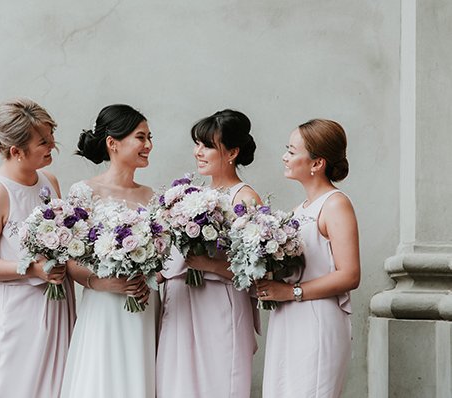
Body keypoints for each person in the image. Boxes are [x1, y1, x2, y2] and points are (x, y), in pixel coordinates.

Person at [0, 98, 76, 398]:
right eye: (44, 141)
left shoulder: (49, 181)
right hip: (20, 314)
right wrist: (32, 269)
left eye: (51, 136)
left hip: (58, 306)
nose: (53, 145)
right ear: (16, 151)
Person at [156, 109, 262, 398]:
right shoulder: (187, 197)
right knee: (176, 383)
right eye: (197, 144)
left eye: (207, 146)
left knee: (218, 381)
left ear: (232, 152)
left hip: (220, 303)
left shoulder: (245, 198)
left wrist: (208, 264)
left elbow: (255, 269)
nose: (197, 152)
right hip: (182, 300)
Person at [256, 119, 360, 397]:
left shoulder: (336, 204)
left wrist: (291, 292)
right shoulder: (298, 210)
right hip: (288, 318)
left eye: (291, 151)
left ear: (317, 163)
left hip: (316, 320)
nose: (284, 157)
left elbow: (349, 275)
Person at [60, 104, 157, 398]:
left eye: (150, 137)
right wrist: (100, 282)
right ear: (113, 143)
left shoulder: (151, 196)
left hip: (142, 304)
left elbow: (162, 259)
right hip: (103, 304)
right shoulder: (83, 192)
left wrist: (151, 279)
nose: (148, 145)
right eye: (141, 137)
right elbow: (70, 258)